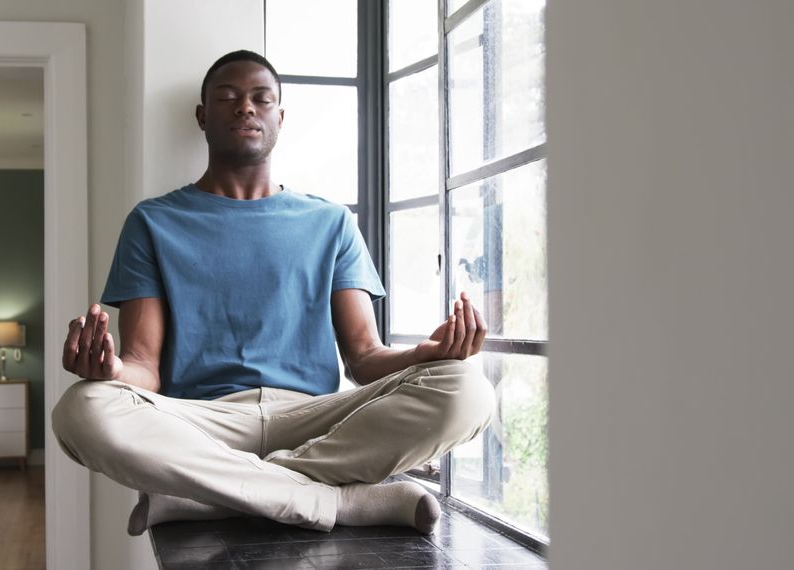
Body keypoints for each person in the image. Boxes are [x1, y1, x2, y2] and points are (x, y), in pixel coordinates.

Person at [52, 50, 496, 537]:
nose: (245, 108)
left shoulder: (331, 223)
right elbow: (144, 367)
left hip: (315, 420)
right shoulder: (152, 221)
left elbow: (365, 358)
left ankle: (209, 496)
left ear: (279, 118)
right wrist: (111, 372)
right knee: (81, 409)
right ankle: (343, 500)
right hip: (202, 424)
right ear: (202, 116)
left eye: (261, 99)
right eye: (227, 98)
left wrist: (427, 355)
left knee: (467, 388)